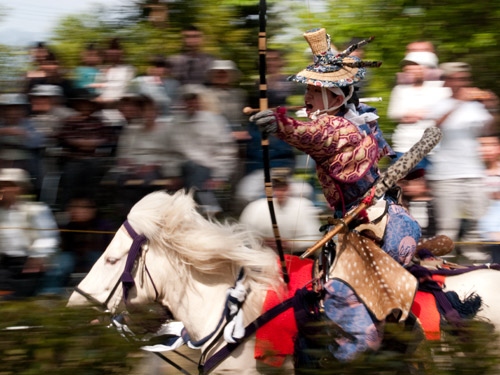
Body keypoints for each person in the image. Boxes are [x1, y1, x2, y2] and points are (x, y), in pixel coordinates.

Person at [250, 27, 421, 361]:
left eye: (315, 90)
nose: (307, 98)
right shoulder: (342, 122)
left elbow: (316, 136)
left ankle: (358, 360)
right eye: (310, 89)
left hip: (386, 230)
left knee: (342, 292)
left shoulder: (342, 128)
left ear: (338, 97)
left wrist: (280, 124)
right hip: (353, 226)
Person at [426, 62, 494, 262]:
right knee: (448, 227)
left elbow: (489, 130)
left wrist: (491, 106)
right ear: (447, 82)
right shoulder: (441, 104)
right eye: (456, 78)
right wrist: (458, 103)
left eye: (463, 78)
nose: (461, 83)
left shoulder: (475, 106)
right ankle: (445, 269)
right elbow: (436, 127)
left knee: (480, 224)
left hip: (474, 172)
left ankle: (478, 263)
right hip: (446, 174)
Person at [0, 168, 59, 298]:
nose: (3, 189)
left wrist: (37, 256)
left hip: (27, 263)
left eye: (8, 186)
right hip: (4, 263)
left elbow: (47, 236)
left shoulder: (36, 210)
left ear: (19, 188)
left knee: (19, 298)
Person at [388, 51, 451, 169]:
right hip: (404, 147)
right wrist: (427, 113)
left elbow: (445, 114)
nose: (410, 69)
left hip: (435, 150)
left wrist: (415, 114)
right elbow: (394, 113)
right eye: (408, 67)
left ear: (427, 67)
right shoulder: (400, 89)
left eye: (415, 66)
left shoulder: (443, 89)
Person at [239, 168, 321, 254]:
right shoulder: (254, 208)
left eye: (283, 188)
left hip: (296, 258)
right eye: (276, 188)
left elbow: (315, 238)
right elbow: (243, 237)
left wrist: (290, 244)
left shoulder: (303, 206)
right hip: (262, 257)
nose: (280, 192)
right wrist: (262, 242)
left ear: (289, 188)